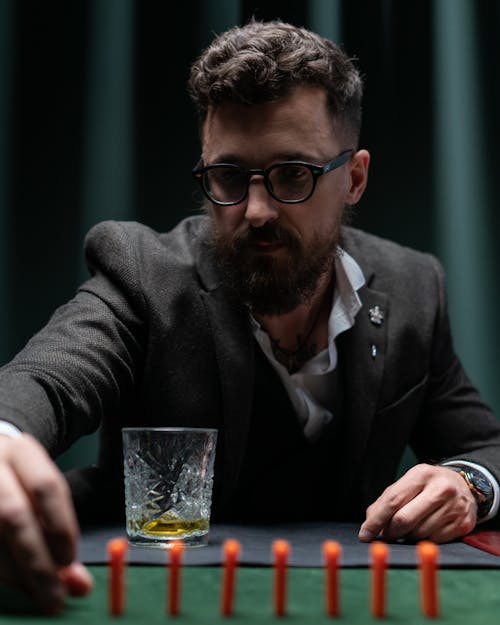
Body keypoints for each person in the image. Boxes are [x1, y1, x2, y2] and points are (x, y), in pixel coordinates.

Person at [0, 17, 499, 613]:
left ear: (355, 178)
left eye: (293, 174)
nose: (256, 210)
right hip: (158, 597)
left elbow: (485, 449)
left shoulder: (416, 287)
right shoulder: (143, 273)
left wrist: (467, 483)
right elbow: (47, 380)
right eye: (229, 177)